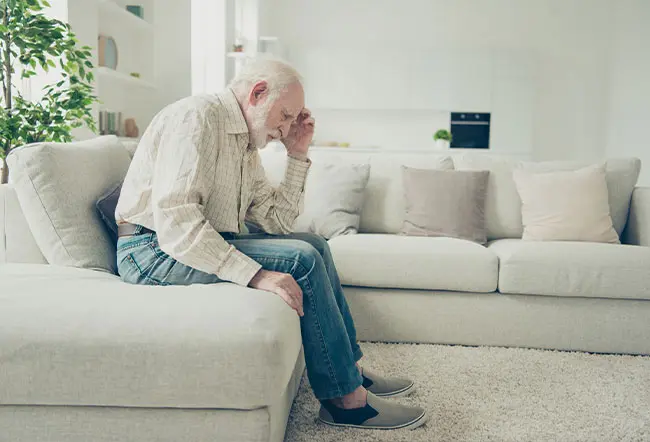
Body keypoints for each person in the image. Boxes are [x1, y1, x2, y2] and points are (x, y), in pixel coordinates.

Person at [114, 59, 427, 430]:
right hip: (152, 252)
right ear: (257, 93)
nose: (288, 126)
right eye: (286, 115)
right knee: (302, 258)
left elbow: (278, 222)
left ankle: (350, 369)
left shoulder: (246, 146)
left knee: (314, 244)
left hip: (188, 243)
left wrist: (297, 154)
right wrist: (257, 275)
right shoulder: (196, 118)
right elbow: (177, 221)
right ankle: (346, 401)